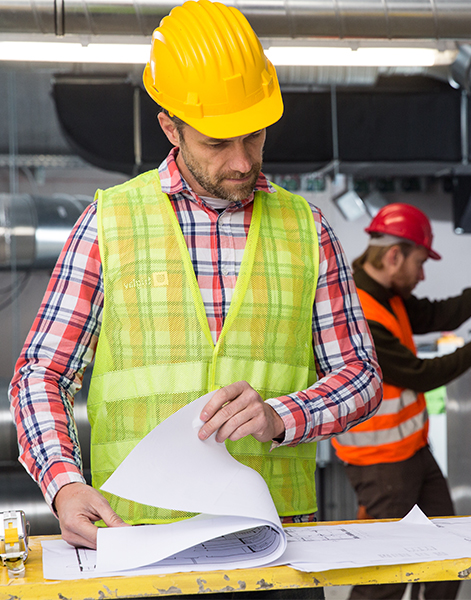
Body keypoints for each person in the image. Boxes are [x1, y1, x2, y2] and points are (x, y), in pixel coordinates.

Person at [9, 2, 382, 597]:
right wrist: (62, 482)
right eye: (217, 141)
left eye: (255, 135)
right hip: (135, 548)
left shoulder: (308, 229)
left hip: (276, 552)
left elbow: (361, 376)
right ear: (170, 128)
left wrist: (282, 415)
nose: (242, 161)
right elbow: (40, 374)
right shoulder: (107, 224)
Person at [331, 203, 471, 600]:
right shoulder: (360, 313)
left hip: (414, 452)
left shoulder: (389, 294)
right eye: (419, 263)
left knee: (446, 560)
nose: (422, 275)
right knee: (385, 578)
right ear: (394, 256)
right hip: (381, 465)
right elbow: (420, 375)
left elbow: (438, 313)